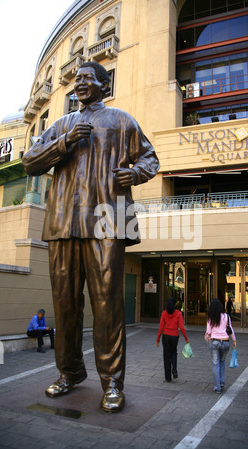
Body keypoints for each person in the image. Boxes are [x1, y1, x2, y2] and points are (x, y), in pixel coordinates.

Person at [22, 61, 160, 413]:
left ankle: (113, 382)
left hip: (107, 221)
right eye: (77, 81)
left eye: (87, 79)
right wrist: (63, 143)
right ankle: (69, 372)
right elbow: (29, 161)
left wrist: (135, 172)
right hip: (63, 222)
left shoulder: (120, 120)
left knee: (107, 306)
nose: (80, 85)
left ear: (103, 83)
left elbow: (150, 158)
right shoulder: (61, 125)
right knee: (64, 305)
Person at [205, 299, 236, 394]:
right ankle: (221, 382)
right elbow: (230, 329)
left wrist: (207, 336)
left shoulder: (211, 318)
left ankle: (217, 387)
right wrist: (234, 340)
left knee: (215, 364)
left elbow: (209, 332)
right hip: (226, 342)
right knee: (222, 362)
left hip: (215, 342)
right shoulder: (226, 317)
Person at [156, 297, 189, 382]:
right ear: (175, 304)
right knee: (174, 353)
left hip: (166, 336)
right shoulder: (178, 313)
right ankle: (174, 370)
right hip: (175, 336)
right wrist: (186, 338)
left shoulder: (164, 313)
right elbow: (181, 327)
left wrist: (158, 339)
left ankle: (168, 377)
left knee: (166, 355)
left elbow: (161, 327)